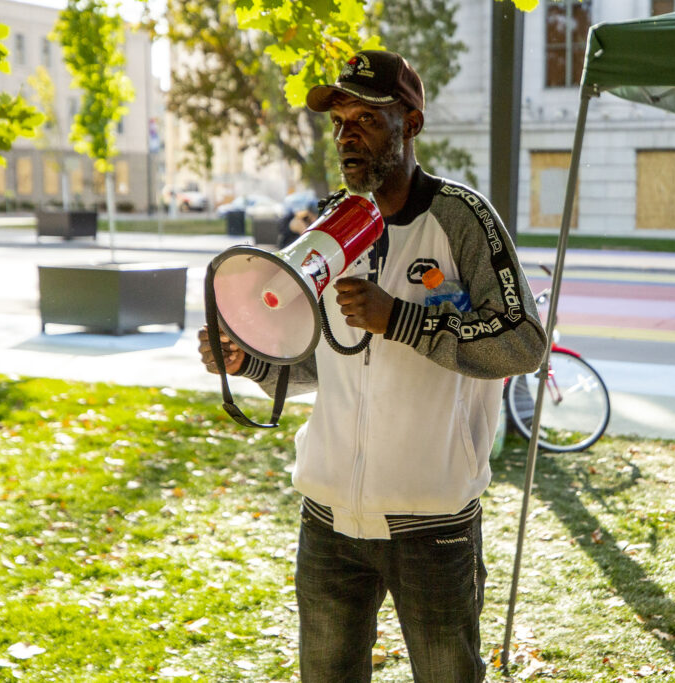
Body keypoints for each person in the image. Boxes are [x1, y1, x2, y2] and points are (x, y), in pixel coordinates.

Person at [198, 50, 547, 682]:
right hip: (328, 520)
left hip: (433, 526)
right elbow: (318, 362)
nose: (347, 133)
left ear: (410, 124)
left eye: (366, 116)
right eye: (339, 121)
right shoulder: (329, 228)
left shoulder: (461, 219)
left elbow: (523, 343)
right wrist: (249, 359)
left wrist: (403, 320)